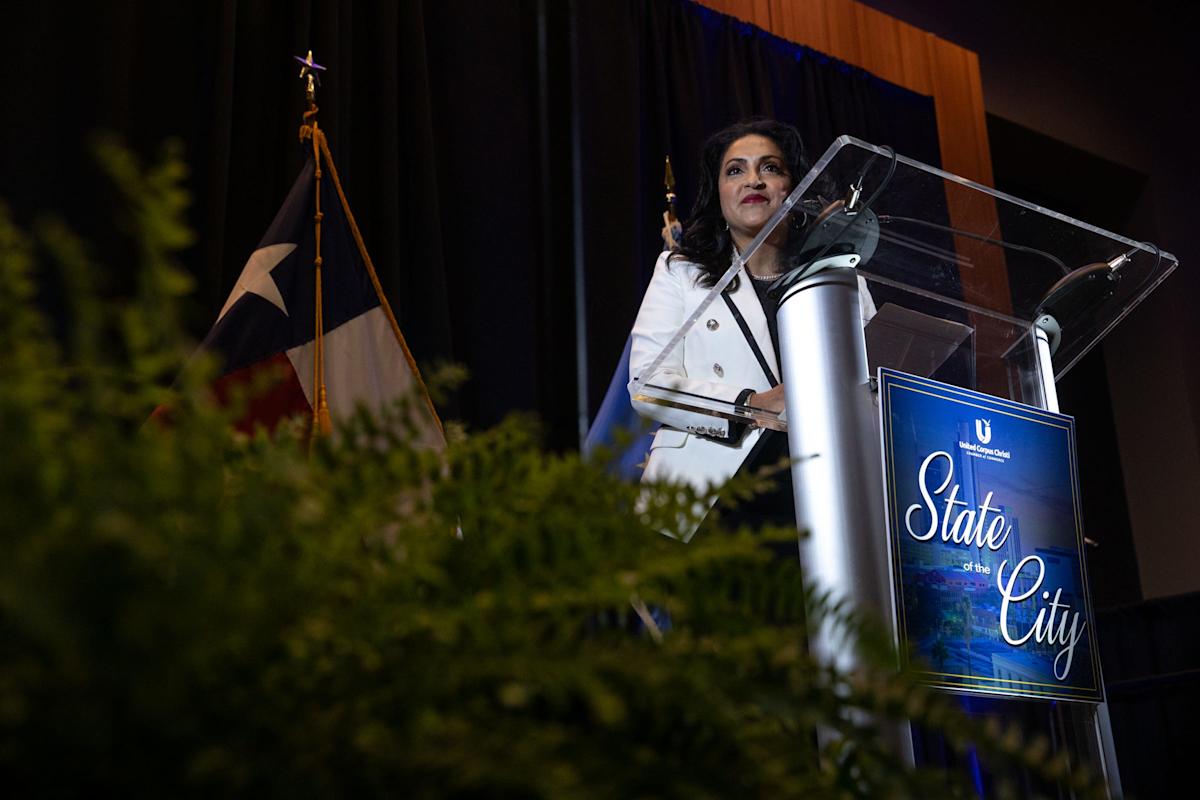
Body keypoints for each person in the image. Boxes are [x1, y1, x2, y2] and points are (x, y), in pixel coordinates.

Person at [628, 118, 874, 541]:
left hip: (824, 492)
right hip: (710, 499)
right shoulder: (680, 272)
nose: (754, 180)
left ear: (793, 188)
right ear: (719, 193)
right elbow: (646, 384)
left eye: (771, 168)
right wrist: (751, 404)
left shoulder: (840, 279)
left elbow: (872, 378)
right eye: (735, 170)